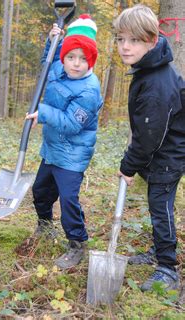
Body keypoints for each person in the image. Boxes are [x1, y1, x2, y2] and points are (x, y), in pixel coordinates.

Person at [113, 5, 185, 291]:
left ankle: (168, 268)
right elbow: (146, 130)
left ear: (152, 40)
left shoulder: (157, 82)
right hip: (160, 153)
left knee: (161, 208)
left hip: (167, 157)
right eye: (120, 39)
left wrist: (128, 166)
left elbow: (149, 136)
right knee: (159, 206)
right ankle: (158, 251)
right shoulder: (150, 68)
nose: (125, 47)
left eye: (134, 40)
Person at [26, 14, 103, 270]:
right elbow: (46, 64)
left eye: (83, 59)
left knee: (68, 199)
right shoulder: (60, 67)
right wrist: (51, 43)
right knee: (40, 192)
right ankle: (45, 227)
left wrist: (44, 113)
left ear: (90, 60)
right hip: (52, 148)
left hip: (72, 154)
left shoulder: (89, 89)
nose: (76, 64)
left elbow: (72, 124)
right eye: (71, 57)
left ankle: (76, 242)